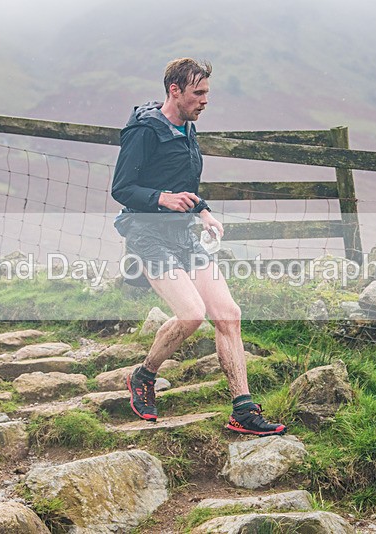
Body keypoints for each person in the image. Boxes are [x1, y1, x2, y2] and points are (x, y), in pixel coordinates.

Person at [111, 58, 286, 436]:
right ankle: (144, 375)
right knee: (191, 314)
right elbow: (122, 188)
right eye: (198, 93)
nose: (205, 100)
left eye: (207, 92)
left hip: (183, 234)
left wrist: (203, 211)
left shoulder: (187, 128)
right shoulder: (144, 131)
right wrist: (162, 199)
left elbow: (183, 183)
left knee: (228, 314)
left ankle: (243, 410)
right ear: (174, 91)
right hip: (147, 234)